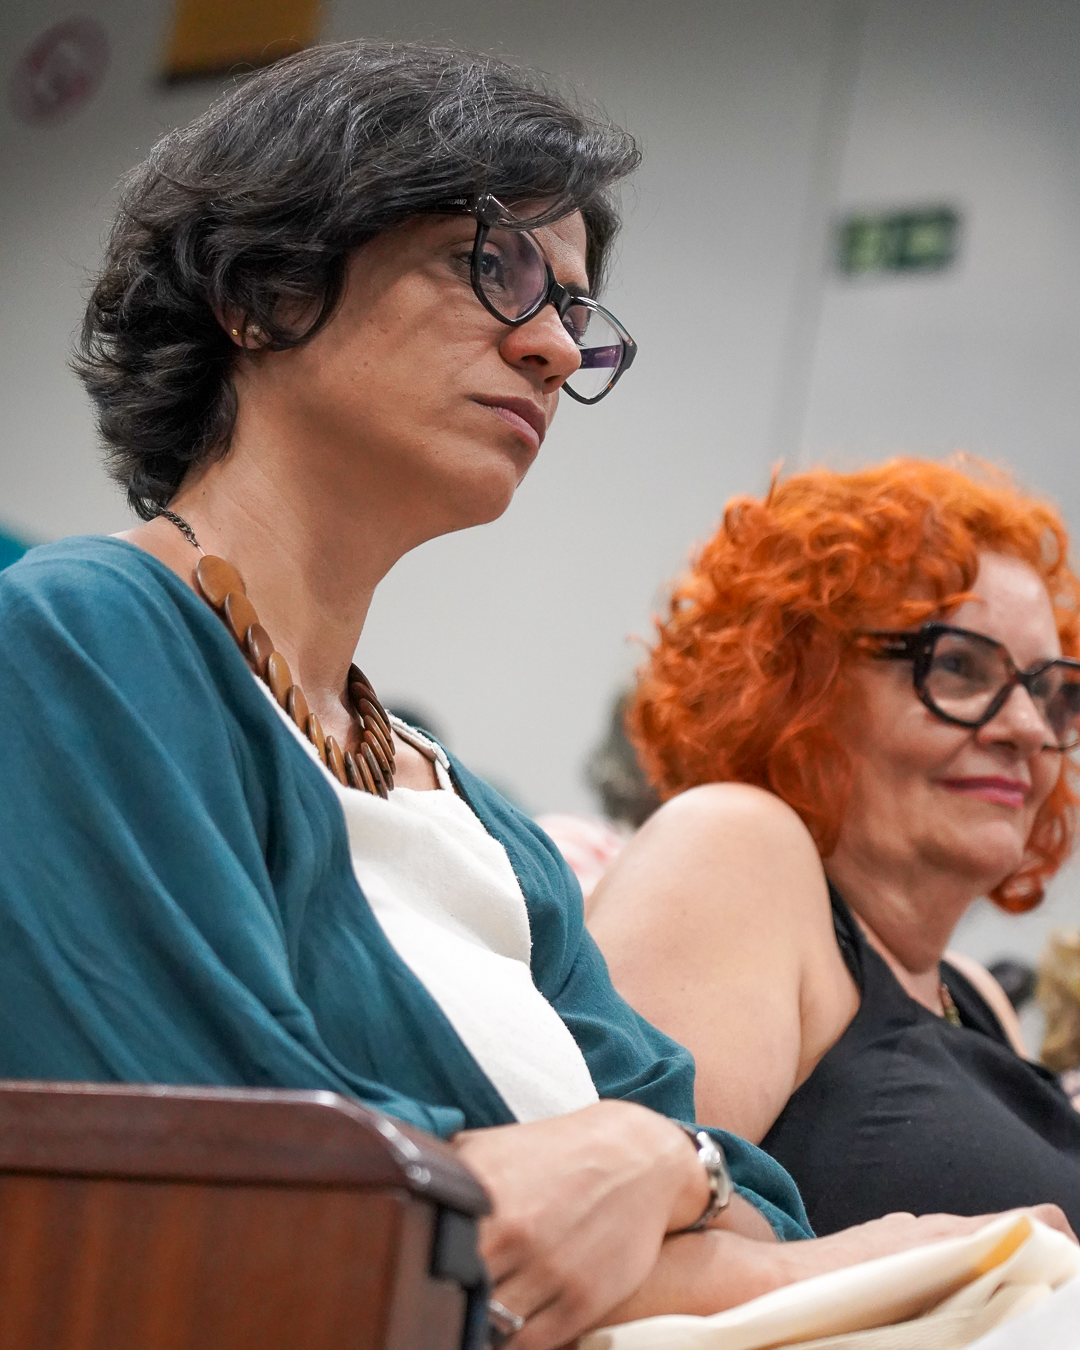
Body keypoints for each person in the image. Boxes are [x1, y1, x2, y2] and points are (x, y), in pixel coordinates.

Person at [0, 51, 1065, 1349]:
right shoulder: (86, 637)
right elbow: (252, 1197)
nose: (556, 346)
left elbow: (753, 1200)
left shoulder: (473, 817)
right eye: (495, 266)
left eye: (574, 309)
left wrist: (647, 1160)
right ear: (263, 291)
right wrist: (795, 1238)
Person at [589, 458, 1080, 1237]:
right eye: (958, 666)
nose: (1025, 727)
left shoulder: (976, 996)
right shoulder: (737, 846)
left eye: (1051, 691)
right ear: (800, 683)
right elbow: (600, 1230)